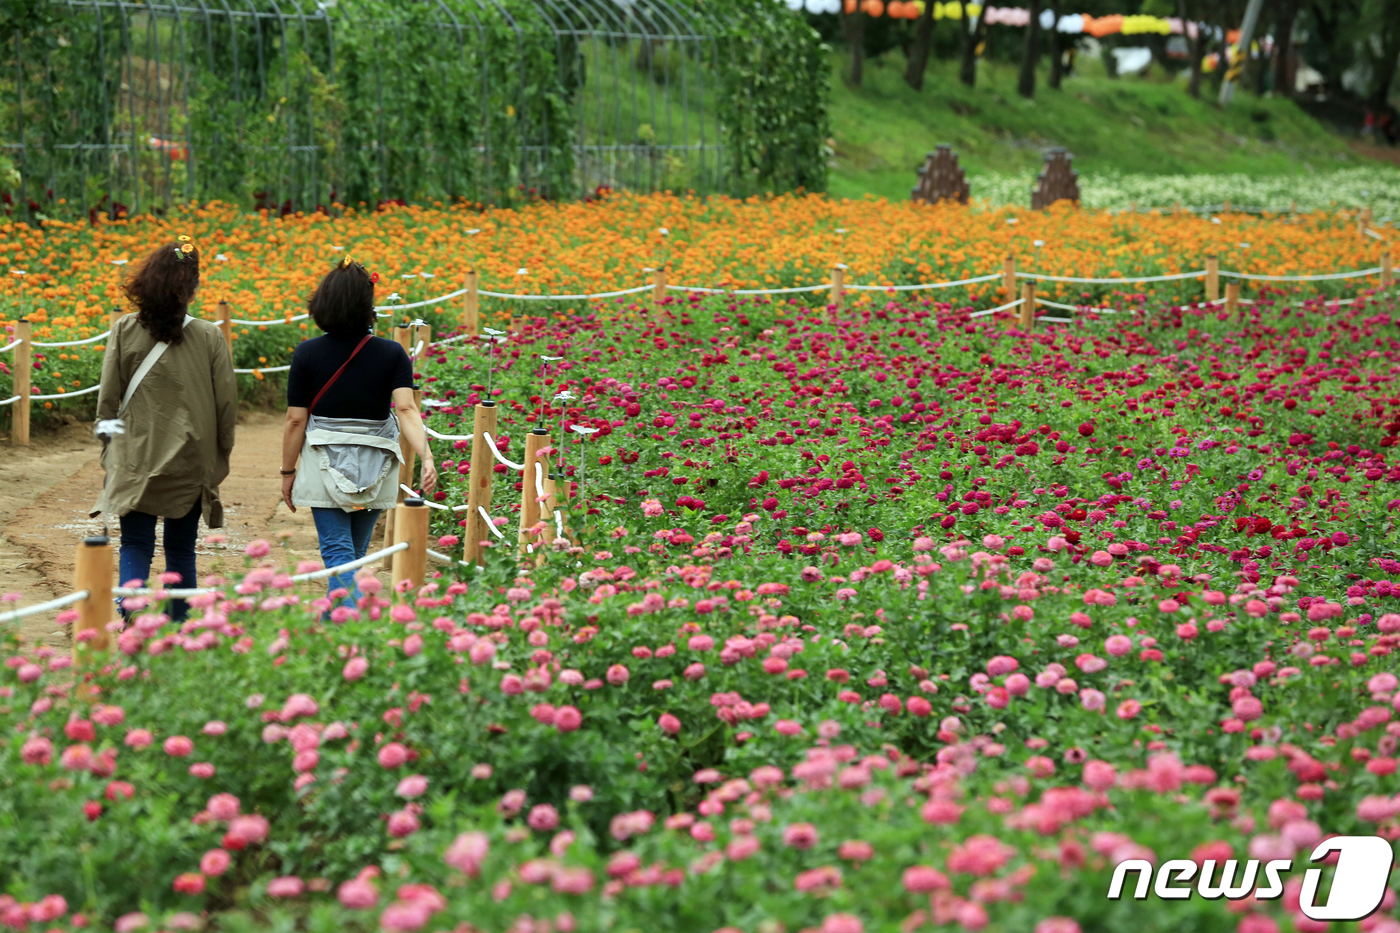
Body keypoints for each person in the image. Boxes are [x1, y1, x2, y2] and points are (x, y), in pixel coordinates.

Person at [91, 237, 238, 621]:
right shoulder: (209, 336)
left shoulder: (124, 329)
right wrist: (220, 456)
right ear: (192, 287)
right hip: (190, 458)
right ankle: (178, 627)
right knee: (181, 548)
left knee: (136, 543)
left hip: (134, 455)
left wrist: (109, 449)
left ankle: (132, 614)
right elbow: (227, 406)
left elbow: (108, 399)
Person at [281, 257, 437, 605]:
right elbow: (407, 408)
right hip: (377, 463)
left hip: (324, 461)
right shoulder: (392, 354)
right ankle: (342, 633)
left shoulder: (307, 354)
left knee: (338, 554)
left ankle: (343, 633)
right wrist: (426, 456)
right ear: (369, 305)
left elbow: (295, 420)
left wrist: (288, 471)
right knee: (354, 554)